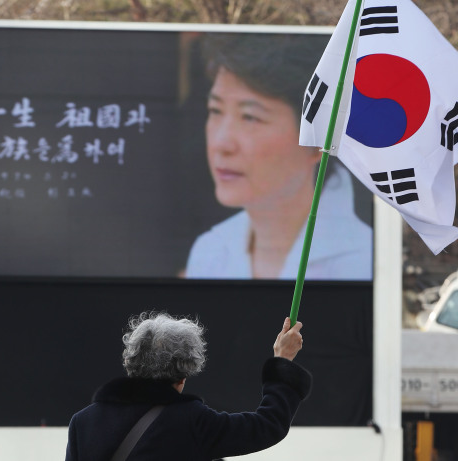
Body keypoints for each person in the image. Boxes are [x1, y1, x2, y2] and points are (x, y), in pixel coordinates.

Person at [185, 33, 372, 281]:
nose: (221, 144)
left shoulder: (364, 260)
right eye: (215, 110)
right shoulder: (209, 252)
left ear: (318, 140)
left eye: (250, 117)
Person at [65, 312, 310, 460]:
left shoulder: (83, 422)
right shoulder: (193, 422)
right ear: (184, 374)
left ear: (131, 363)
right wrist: (282, 360)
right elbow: (266, 426)